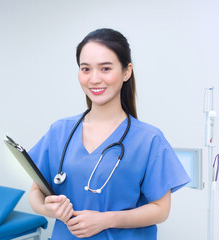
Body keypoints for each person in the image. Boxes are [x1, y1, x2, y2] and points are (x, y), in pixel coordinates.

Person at [28, 28, 190, 240]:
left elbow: (160, 209)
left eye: (105, 68)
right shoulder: (60, 131)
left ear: (126, 71)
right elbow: (35, 193)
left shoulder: (148, 139)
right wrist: (49, 209)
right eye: (85, 69)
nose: (94, 79)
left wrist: (105, 220)